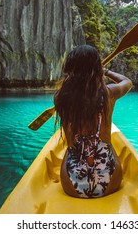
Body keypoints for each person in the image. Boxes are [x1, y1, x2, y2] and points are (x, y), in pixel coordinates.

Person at [54, 44, 133, 198]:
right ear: (97, 68)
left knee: (70, 149)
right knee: (108, 146)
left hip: (72, 186)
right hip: (110, 183)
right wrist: (106, 71)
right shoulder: (109, 93)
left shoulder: (61, 97)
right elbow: (127, 82)